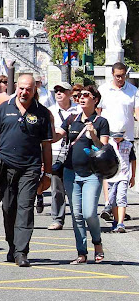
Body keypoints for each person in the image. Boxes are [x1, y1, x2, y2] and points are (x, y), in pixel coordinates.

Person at [0, 74, 53, 267]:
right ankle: (12, 246)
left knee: (25, 208)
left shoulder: (42, 113)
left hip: (30, 168)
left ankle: (22, 252)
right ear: (16, 87)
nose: (24, 92)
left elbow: (46, 146)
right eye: (21, 88)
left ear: (34, 90)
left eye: (28, 89)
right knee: (8, 208)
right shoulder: (4, 108)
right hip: (5, 167)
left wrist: (47, 174)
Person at [54, 85, 110, 264]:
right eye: (80, 96)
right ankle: (82, 253)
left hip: (92, 174)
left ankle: (97, 243)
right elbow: (57, 135)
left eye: (86, 95)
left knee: (88, 213)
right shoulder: (72, 119)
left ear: (95, 99)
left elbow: (104, 148)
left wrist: (94, 136)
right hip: (71, 172)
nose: (82, 98)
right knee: (76, 214)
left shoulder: (101, 122)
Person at [98, 62, 139, 220]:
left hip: (126, 137)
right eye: (118, 76)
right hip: (107, 136)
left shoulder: (133, 90)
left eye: (123, 75)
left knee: (123, 173)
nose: (121, 78)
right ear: (112, 75)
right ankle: (108, 203)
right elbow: (98, 112)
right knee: (108, 170)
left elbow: (136, 112)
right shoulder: (104, 90)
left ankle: (118, 206)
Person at [47, 82, 79, 230]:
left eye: (62, 91)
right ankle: (57, 219)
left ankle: (78, 217)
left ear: (70, 93)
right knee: (57, 189)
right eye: (56, 91)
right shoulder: (50, 111)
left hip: (75, 153)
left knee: (75, 187)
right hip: (55, 153)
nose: (58, 93)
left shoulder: (78, 110)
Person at [107, 129, 136, 233]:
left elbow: (133, 160)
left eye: (118, 136)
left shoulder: (129, 145)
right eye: (114, 136)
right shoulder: (109, 144)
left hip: (123, 175)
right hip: (111, 176)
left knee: (121, 198)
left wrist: (133, 177)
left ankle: (120, 222)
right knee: (112, 199)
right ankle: (115, 220)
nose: (116, 138)